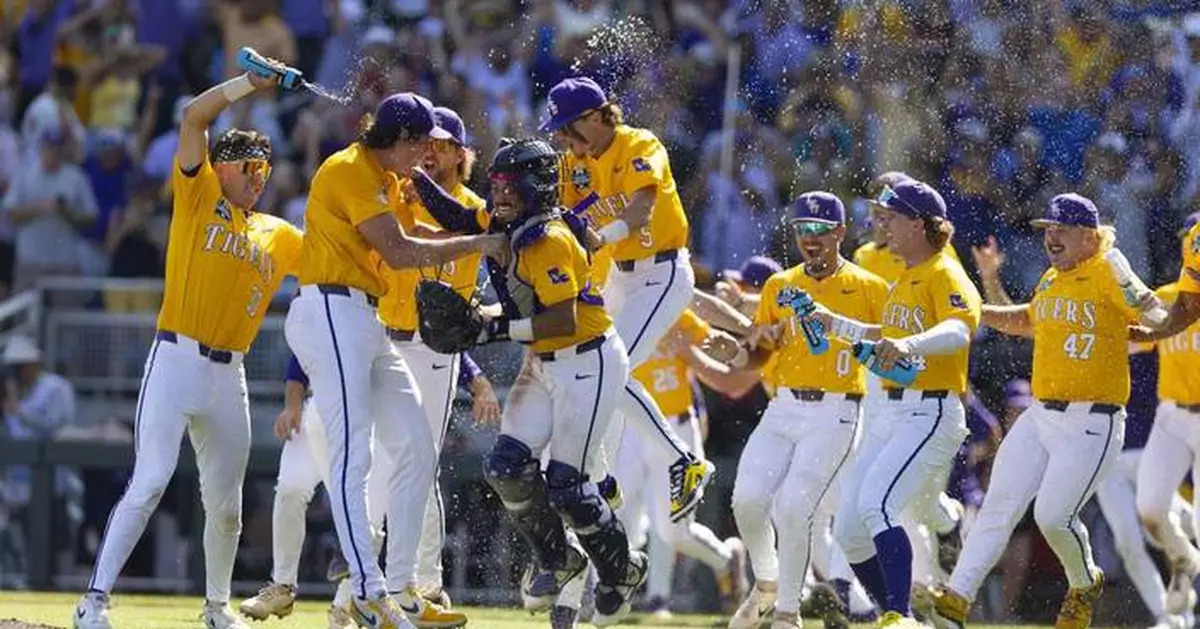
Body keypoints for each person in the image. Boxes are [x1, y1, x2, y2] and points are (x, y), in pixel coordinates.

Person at [73, 61, 304, 629]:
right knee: (150, 479)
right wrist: (251, 84)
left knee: (226, 505)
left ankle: (217, 607)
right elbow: (193, 116)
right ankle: (94, 600)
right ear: (222, 168)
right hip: (176, 358)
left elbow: (335, 260)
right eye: (249, 166)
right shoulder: (198, 194)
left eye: (266, 168)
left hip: (232, 374)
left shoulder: (277, 232)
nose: (259, 177)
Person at [284, 91, 506, 629]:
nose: (425, 157)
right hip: (331, 307)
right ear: (401, 139)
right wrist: (478, 246)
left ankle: (403, 588)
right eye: (422, 144)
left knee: (414, 448)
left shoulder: (385, 175)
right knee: (353, 457)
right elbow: (403, 250)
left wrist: (476, 236)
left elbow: (425, 231)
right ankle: (366, 590)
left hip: (364, 318)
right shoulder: (351, 170)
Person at [921, 194, 1160, 629]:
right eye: (1047, 228)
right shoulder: (1051, 277)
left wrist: (1163, 319)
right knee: (999, 505)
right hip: (1042, 413)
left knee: (1053, 516)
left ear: (1090, 236)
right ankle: (955, 600)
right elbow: (1027, 321)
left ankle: (1083, 580)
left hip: (1094, 419)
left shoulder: (1107, 269)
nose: (1051, 236)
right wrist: (975, 309)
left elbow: (1152, 318)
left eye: (1061, 228)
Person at [471, 138, 646, 628]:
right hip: (543, 361)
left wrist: (492, 328)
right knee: (506, 466)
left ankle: (622, 570)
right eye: (497, 183)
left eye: (511, 183)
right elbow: (519, 307)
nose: (500, 192)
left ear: (539, 186)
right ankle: (556, 558)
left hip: (586, 361)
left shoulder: (548, 236)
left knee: (568, 487)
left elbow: (563, 320)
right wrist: (481, 316)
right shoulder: (514, 227)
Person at [541, 76, 712, 523]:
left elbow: (641, 208)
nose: (563, 137)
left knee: (609, 370)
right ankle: (601, 477)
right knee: (593, 371)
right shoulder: (575, 162)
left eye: (568, 126)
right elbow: (558, 211)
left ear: (597, 116)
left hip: (662, 272)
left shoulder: (639, 143)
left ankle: (684, 461)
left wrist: (603, 236)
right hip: (619, 276)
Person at [810, 180, 978, 629]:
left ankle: (898, 616)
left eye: (892, 216)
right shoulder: (905, 274)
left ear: (920, 224)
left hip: (931, 410)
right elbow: (883, 339)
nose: (881, 222)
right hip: (895, 410)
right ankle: (902, 616)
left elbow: (961, 331)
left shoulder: (944, 270)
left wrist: (911, 345)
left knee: (878, 506)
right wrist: (834, 322)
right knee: (848, 529)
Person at [239, 351, 498, 629]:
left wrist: (475, 378)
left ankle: (351, 605)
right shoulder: (330, 312)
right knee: (292, 488)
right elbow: (304, 345)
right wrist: (293, 404)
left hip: (365, 421)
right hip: (320, 413)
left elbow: (435, 341)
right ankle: (283, 586)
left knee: (373, 511)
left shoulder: (388, 324)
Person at [727, 192, 889, 629]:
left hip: (838, 410)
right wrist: (741, 353)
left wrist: (841, 325)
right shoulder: (781, 285)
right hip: (784, 404)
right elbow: (762, 351)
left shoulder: (870, 285)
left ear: (840, 232)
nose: (810, 238)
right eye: (802, 229)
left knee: (797, 507)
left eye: (819, 230)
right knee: (746, 500)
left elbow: (895, 340)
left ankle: (787, 613)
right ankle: (766, 583)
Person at [614, 308, 748, 617]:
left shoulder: (676, 313)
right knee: (615, 512)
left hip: (677, 427)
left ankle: (724, 561)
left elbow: (723, 357)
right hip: (630, 428)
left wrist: (719, 343)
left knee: (673, 528)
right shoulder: (617, 308)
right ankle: (609, 594)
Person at [1135, 211, 1200, 621]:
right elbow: (1130, 344)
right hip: (1172, 414)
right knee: (1151, 509)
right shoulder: (1164, 297)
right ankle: (1183, 559)